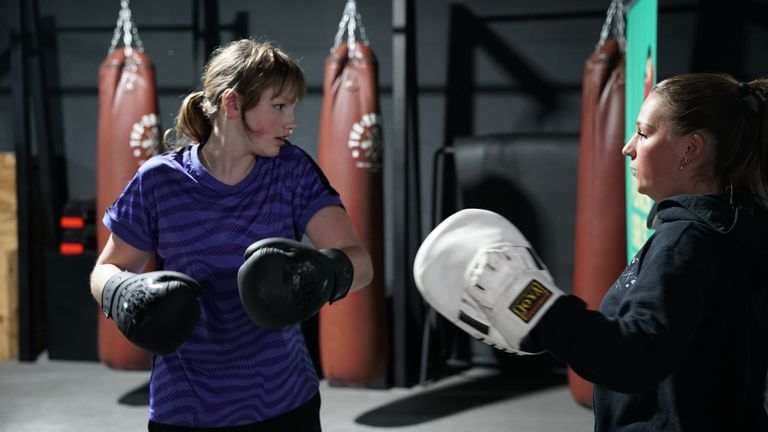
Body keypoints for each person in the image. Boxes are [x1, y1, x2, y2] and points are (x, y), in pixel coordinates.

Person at [413, 72, 768, 431]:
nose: (628, 147)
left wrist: (534, 305)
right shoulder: (734, 233)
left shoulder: (684, 244)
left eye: (644, 134)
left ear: (691, 149)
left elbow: (634, 358)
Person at [89, 38, 373, 431]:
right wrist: (123, 293)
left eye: (292, 107)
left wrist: (324, 274)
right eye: (279, 106)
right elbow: (106, 270)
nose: (291, 121)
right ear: (233, 104)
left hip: (284, 403)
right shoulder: (159, 182)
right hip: (185, 410)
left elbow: (360, 262)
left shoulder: (291, 172)